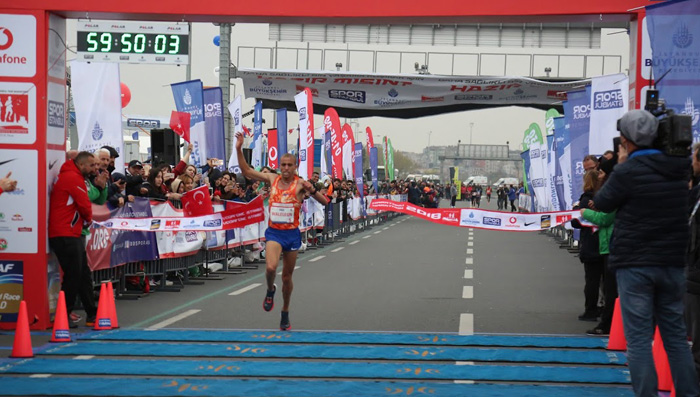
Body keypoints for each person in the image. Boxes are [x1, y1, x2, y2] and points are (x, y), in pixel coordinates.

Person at [589, 110, 699, 396]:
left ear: (625, 140)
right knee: (675, 336)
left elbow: (602, 202)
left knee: (638, 338)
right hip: (672, 263)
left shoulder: (627, 171)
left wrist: (621, 164)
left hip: (635, 262)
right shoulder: (679, 166)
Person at [235, 131, 328, 331]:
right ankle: (270, 290)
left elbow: (324, 201)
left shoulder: (300, 184)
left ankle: (285, 311)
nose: (285, 168)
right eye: (283, 165)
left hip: (292, 234)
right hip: (274, 233)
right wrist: (238, 148)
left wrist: (311, 190)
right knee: (270, 268)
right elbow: (247, 171)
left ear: (295, 167)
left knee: (287, 277)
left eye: (289, 165)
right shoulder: (272, 178)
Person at [48, 151, 98, 327]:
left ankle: (92, 313)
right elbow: (84, 204)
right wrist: (89, 219)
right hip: (65, 233)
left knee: (83, 273)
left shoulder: (71, 175)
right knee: (74, 275)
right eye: (92, 165)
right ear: (81, 164)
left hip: (70, 232)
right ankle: (64, 314)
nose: (95, 168)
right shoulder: (72, 177)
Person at [572, 169, 605, 322]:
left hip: (590, 244)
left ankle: (590, 309)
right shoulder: (605, 199)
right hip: (604, 243)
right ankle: (603, 308)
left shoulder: (585, 200)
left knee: (592, 280)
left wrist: (575, 210)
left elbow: (576, 222)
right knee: (605, 281)